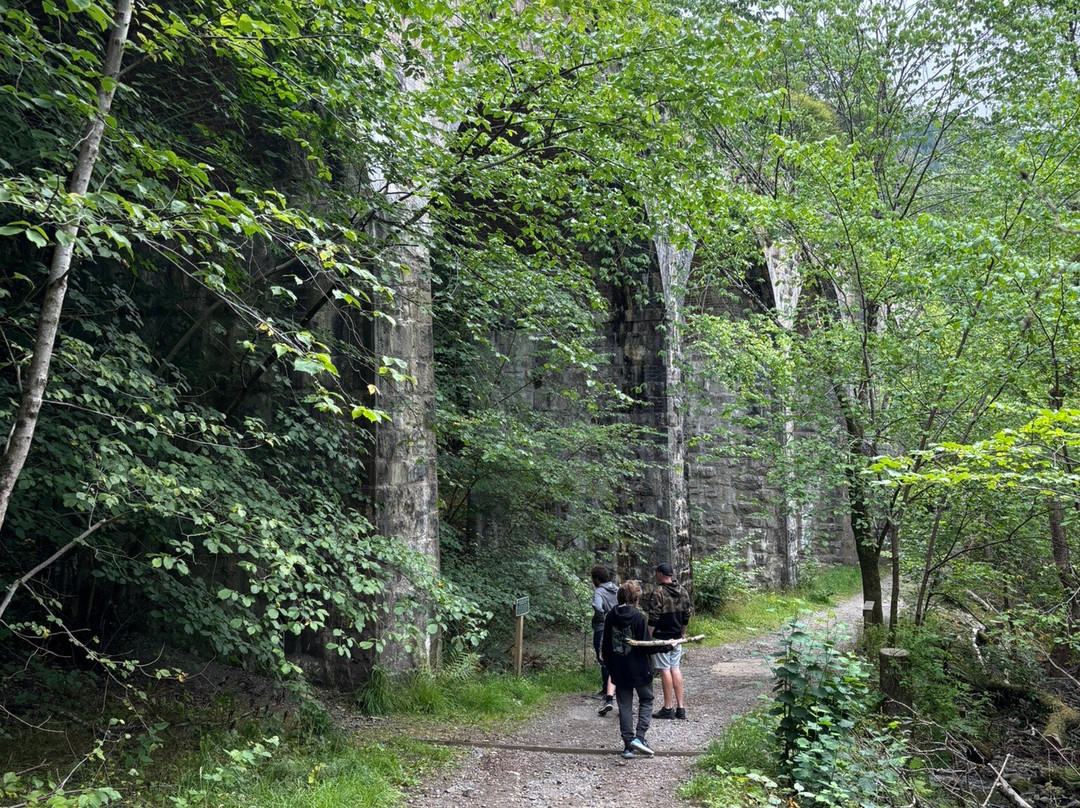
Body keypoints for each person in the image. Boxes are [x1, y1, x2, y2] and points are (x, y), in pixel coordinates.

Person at [600, 580, 656, 759]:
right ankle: (639, 737)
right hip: (639, 669)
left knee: (624, 706)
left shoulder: (610, 616)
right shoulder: (639, 618)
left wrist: (610, 665)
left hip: (619, 668)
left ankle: (627, 746)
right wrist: (668, 646)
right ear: (636, 598)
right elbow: (646, 646)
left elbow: (606, 645)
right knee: (646, 699)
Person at [646, 562, 692, 720]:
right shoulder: (682, 590)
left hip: (661, 637)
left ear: (659, 574)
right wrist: (682, 633)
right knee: (675, 668)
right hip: (677, 636)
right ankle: (681, 707)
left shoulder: (658, 592)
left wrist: (649, 635)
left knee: (664, 669)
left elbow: (653, 616)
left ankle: (668, 707)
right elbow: (687, 614)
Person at [590, 565, 619, 716]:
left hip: (602, 628)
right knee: (616, 657)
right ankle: (616, 689)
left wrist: (602, 616)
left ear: (596, 579)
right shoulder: (616, 588)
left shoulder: (599, 591)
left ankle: (606, 691)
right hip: (618, 628)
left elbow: (597, 606)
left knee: (603, 658)